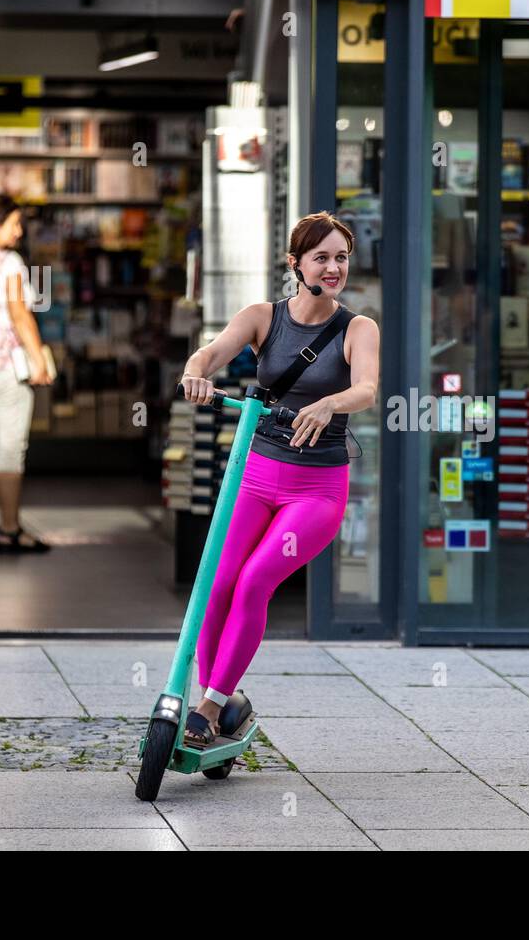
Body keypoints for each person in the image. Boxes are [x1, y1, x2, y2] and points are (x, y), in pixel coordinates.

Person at [178, 211, 380, 746]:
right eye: (322, 258)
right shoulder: (262, 317)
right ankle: (215, 698)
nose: (334, 268)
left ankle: (211, 704)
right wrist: (195, 372)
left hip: (316, 491)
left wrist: (329, 403)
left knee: (253, 583)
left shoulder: (358, 329)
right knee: (216, 584)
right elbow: (213, 351)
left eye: (341, 257)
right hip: (256, 476)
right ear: (295, 264)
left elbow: (366, 390)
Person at [0, 194, 55, 553]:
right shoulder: (10, 262)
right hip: (6, 366)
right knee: (10, 448)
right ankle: (9, 528)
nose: (20, 232)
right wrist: (38, 359)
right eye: (15, 223)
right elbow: (19, 314)